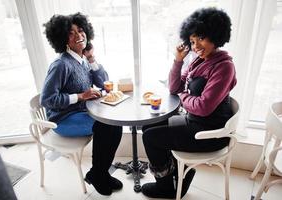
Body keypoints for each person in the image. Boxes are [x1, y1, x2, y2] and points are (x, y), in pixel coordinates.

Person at [141, 7, 237, 199]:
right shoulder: (198, 61)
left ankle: (166, 187)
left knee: (150, 138)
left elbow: (203, 106)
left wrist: (183, 96)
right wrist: (178, 61)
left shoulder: (224, 66)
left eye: (200, 38)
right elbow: (173, 87)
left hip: (209, 132)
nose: (195, 46)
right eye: (192, 41)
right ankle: (177, 173)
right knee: (148, 125)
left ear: (215, 35)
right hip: (194, 122)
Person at [40, 13, 123, 196]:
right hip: (62, 119)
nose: (78, 35)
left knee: (114, 125)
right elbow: (46, 99)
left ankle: (98, 173)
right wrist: (80, 96)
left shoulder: (82, 59)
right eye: (71, 33)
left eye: (81, 30)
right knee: (105, 126)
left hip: (81, 113)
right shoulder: (61, 64)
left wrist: (92, 58)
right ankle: (99, 174)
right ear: (62, 38)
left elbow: (103, 83)